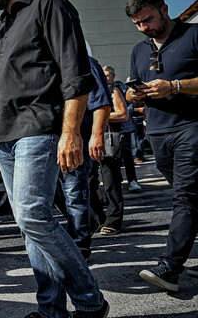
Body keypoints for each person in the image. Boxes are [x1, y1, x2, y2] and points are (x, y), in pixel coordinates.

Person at [0, 0, 108, 318]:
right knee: (30, 228)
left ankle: (91, 303)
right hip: (4, 138)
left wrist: (72, 132)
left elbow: (76, 74)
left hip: (38, 129)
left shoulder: (49, 5)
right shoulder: (1, 25)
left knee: (33, 216)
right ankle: (51, 311)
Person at [124, 0, 198, 292]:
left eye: (148, 20)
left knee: (186, 197)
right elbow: (128, 93)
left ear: (164, 8)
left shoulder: (193, 35)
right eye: (138, 23)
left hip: (191, 128)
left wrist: (175, 86)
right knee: (192, 199)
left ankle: (170, 267)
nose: (144, 27)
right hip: (156, 133)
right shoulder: (139, 50)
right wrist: (133, 93)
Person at [54, 55, 111, 262]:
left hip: (77, 140)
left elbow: (101, 103)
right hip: (52, 141)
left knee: (75, 193)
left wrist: (97, 136)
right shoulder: (47, 62)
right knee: (55, 193)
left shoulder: (85, 62)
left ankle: (80, 248)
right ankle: (87, 221)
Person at [102, 66, 142, 192]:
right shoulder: (102, 89)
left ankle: (132, 181)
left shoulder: (122, 88)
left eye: (109, 75)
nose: (107, 78)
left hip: (124, 127)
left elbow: (130, 105)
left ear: (113, 75)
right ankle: (117, 181)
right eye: (105, 75)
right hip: (109, 129)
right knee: (112, 157)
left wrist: (122, 111)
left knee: (127, 155)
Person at [97, 81, 128, 236]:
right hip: (84, 138)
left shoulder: (111, 89)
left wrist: (98, 116)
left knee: (111, 181)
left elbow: (123, 114)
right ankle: (99, 217)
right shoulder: (80, 89)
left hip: (107, 140)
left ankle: (113, 220)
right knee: (87, 182)